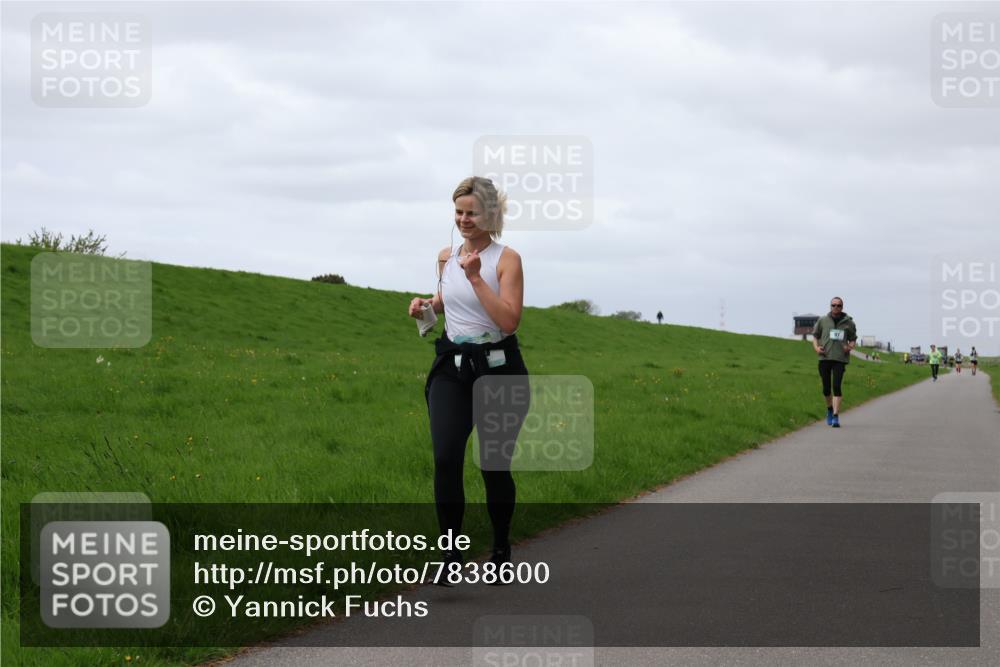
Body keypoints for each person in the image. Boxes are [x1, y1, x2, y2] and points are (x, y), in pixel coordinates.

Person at [407, 176, 528, 582]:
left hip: (498, 370)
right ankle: (451, 557)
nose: (463, 219)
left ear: (490, 214)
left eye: (471, 213)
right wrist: (426, 307)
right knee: (445, 459)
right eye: (458, 212)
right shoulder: (446, 257)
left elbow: (509, 319)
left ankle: (499, 549)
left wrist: (477, 276)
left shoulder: (506, 259)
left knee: (493, 465)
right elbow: (446, 303)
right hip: (453, 369)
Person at [811, 297, 857, 428]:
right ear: (830, 306)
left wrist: (849, 347)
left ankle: (836, 416)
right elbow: (815, 335)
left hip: (840, 359)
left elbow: (853, 340)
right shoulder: (822, 320)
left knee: (836, 386)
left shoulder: (849, 323)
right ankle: (830, 409)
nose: (836, 307)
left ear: (842, 307)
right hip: (824, 358)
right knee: (826, 389)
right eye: (833, 305)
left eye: (839, 305)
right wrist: (816, 348)